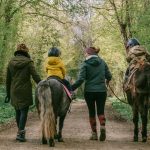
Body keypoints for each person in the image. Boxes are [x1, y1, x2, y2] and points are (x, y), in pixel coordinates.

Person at [71, 47, 112, 141]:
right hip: (101, 91)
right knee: (101, 111)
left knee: (92, 112)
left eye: (85, 53)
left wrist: (71, 88)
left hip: (89, 91)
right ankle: (102, 127)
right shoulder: (102, 62)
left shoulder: (85, 64)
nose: (84, 55)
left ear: (88, 53)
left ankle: (94, 134)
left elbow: (81, 79)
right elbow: (109, 76)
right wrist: (107, 81)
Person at [5, 43, 41, 142]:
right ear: (26, 52)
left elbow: (8, 80)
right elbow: (35, 77)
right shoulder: (29, 62)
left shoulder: (10, 62)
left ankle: (20, 132)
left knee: (17, 110)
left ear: (17, 51)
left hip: (14, 90)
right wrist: (43, 84)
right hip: (25, 90)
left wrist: (8, 94)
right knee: (24, 111)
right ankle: (21, 134)